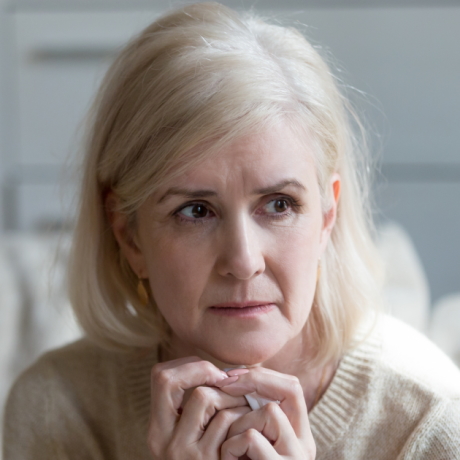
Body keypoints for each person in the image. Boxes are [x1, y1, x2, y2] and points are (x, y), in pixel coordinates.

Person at [3, 2, 460, 459]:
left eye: (279, 205)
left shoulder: (430, 422)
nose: (243, 261)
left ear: (327, 216)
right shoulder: (55, 410)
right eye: (195, 211)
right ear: (129, 236)